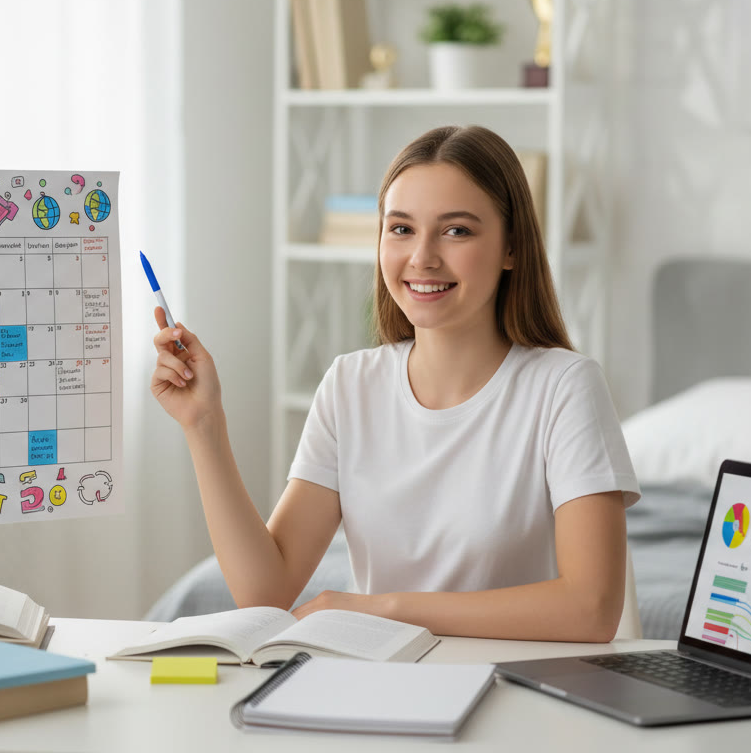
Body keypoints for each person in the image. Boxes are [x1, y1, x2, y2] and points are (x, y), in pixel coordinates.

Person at [149, 125, 639, 642]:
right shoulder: (349, 384)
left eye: (456, 231)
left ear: (511, 248)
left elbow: (592, 609)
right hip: (381, 689)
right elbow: (265, 592)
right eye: (401, 229)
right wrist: (204, 424)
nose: (422, 257)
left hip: (513, 692)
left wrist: (382, 608)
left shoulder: (564, 387)